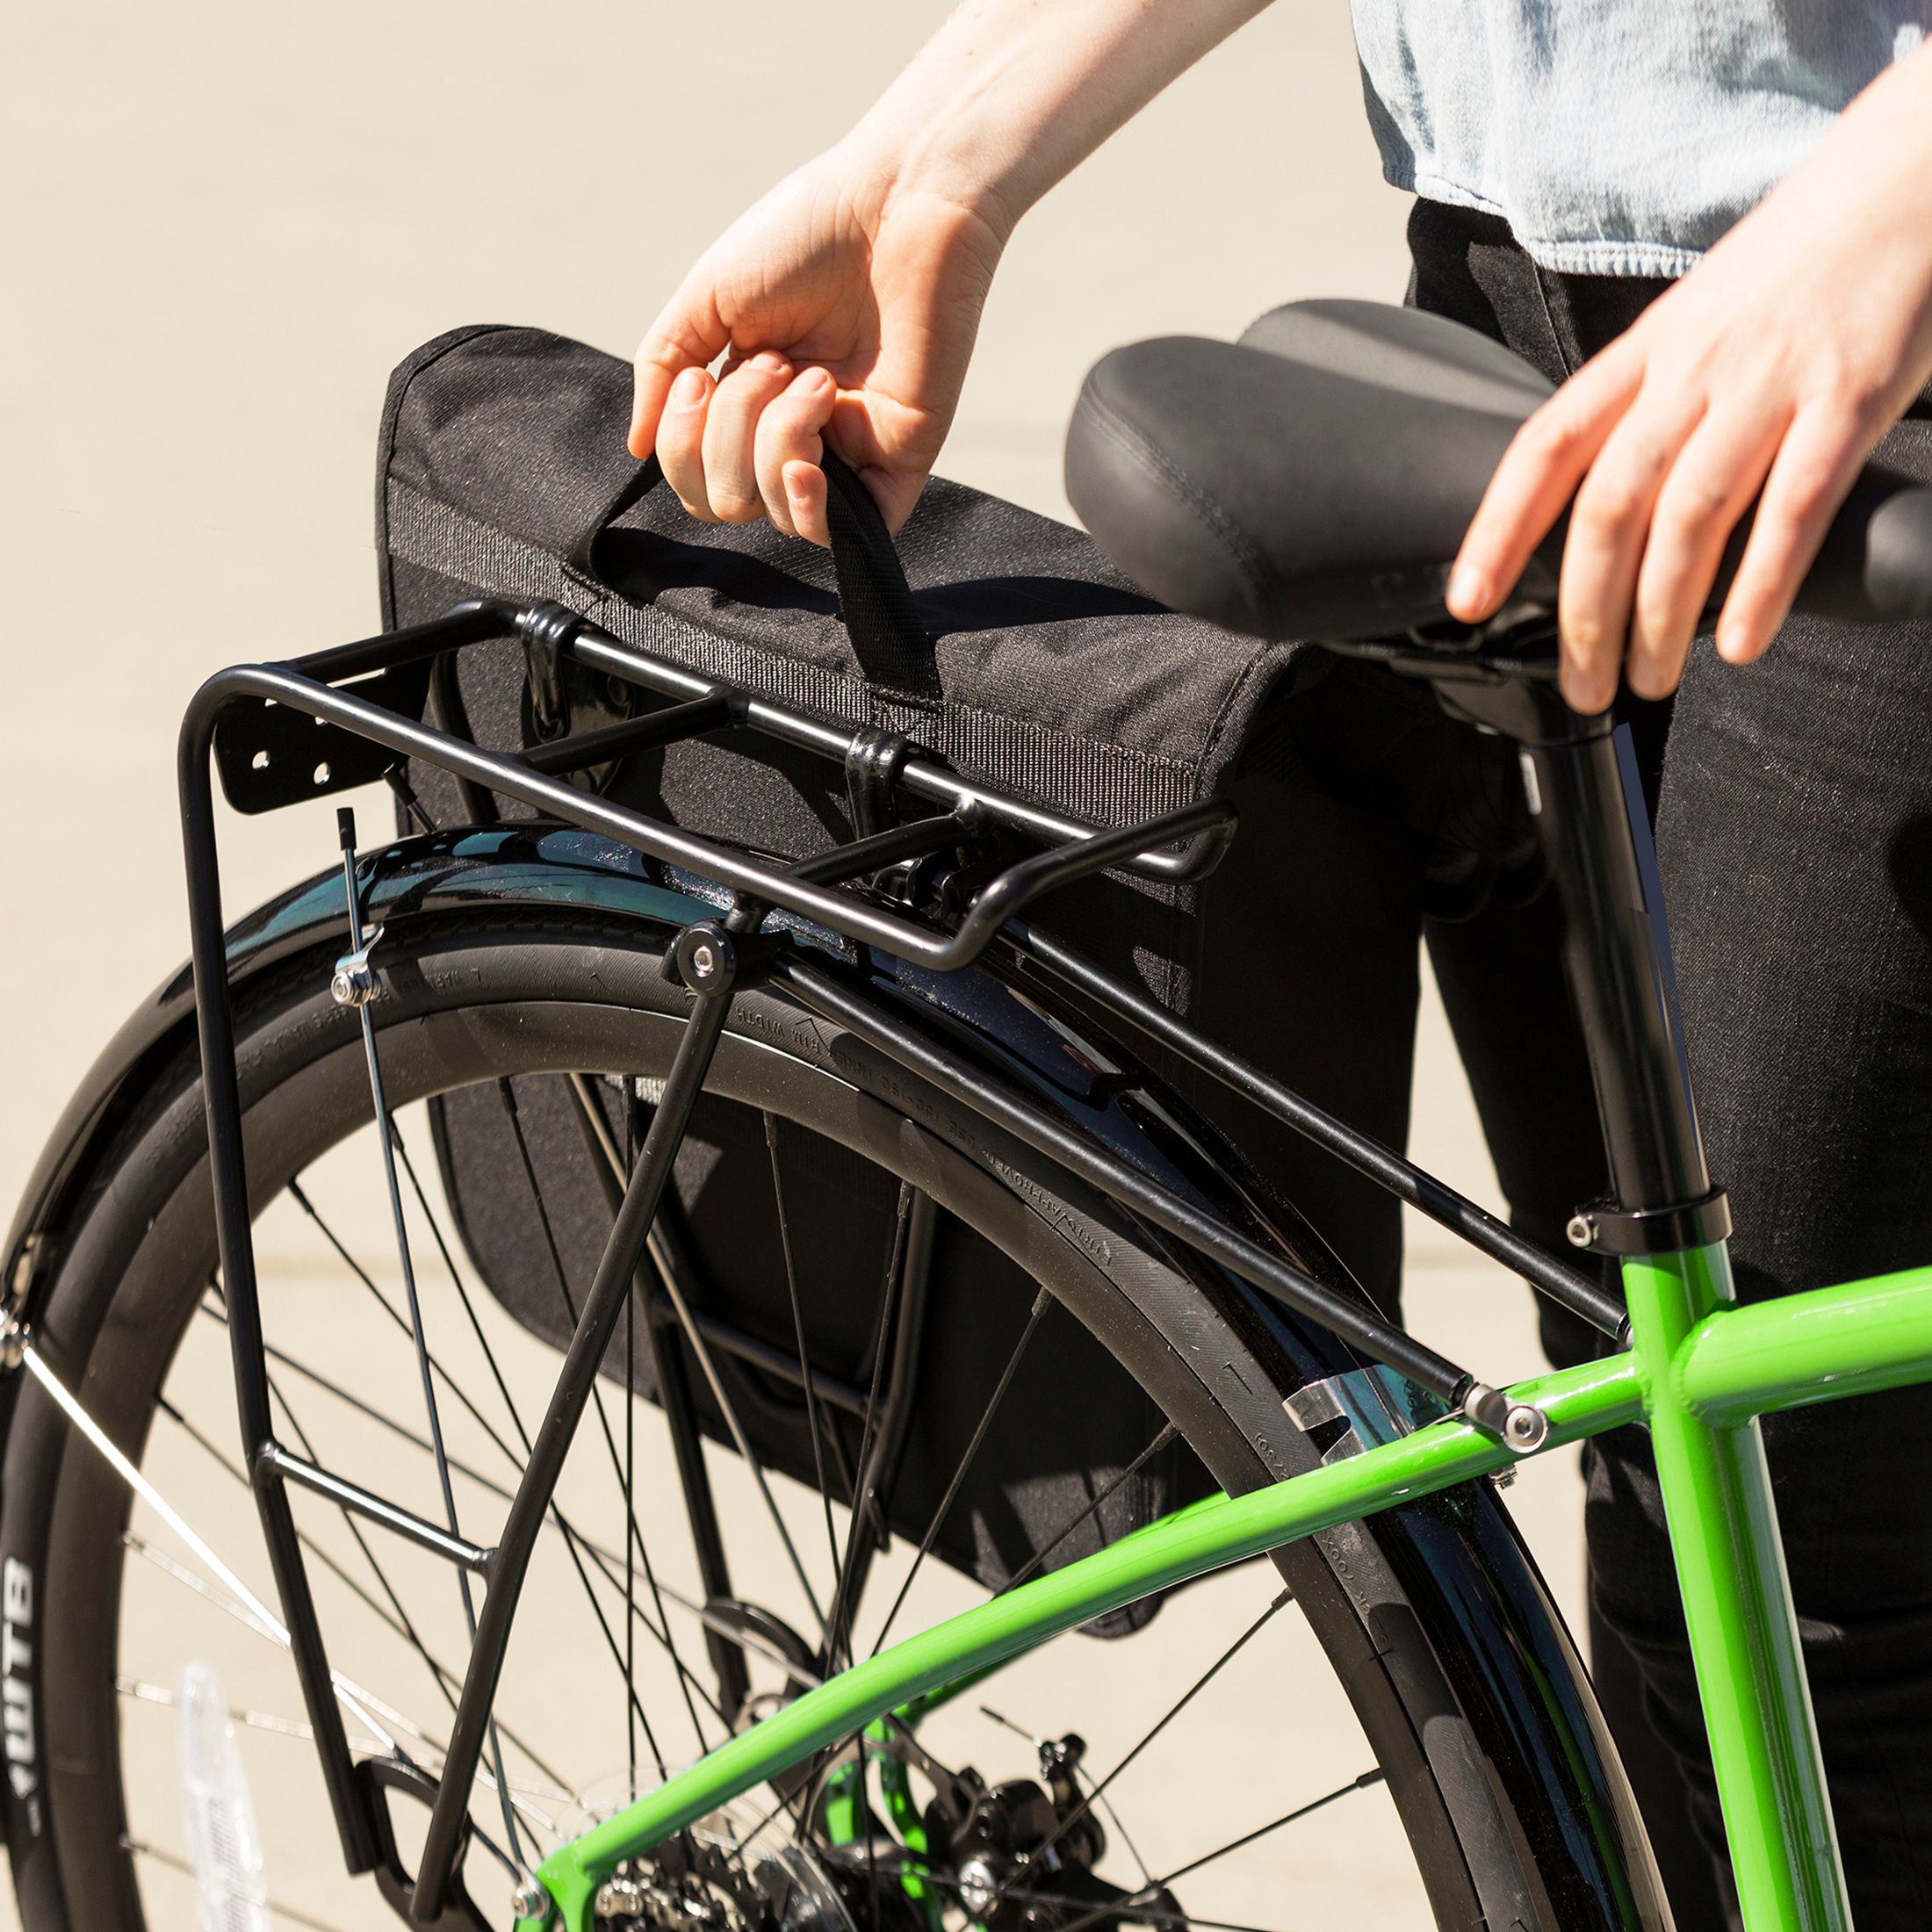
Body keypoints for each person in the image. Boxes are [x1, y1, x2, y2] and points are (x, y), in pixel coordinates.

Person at [625, 6, 1932, 1925]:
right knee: (1743, 1560)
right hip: (1544, 269)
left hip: (1867, 294)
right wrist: (940, 153)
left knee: (1797, 1591)